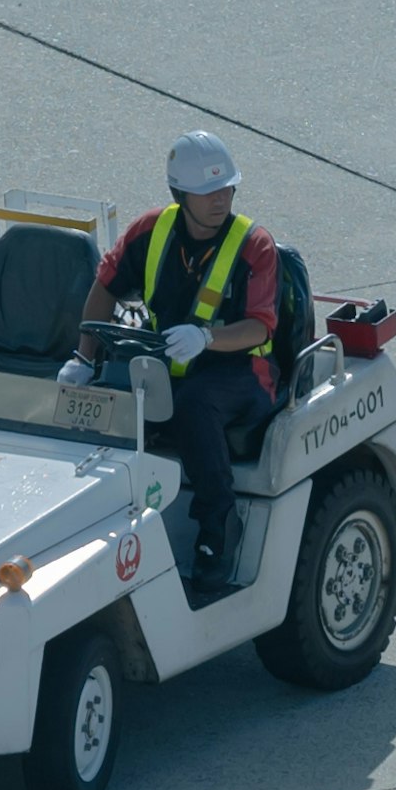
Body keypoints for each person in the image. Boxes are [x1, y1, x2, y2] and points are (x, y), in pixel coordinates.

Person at [64, 130, 280, 589]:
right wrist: (84, 359)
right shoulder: (150, 230)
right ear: (180, 194)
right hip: (166, 364)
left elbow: (260, 328)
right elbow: (105, 287)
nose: (220, 200)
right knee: (106, 406)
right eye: (207, 192)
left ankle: (217, 530)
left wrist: (206, 338)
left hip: (241, 373)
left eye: (226, 189)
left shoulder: (254, 245)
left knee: (194, 407)